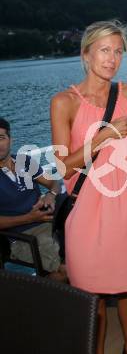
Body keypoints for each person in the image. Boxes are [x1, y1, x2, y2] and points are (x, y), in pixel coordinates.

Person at [50, 20, 127, 354]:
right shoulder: (65, 102)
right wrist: (105, 135)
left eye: (118, 51)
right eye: (104, 50)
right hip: (88, 215)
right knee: (91, 295)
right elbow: (64, 166)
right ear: (85, 54)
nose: (112, 58)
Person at [0, 117, 64, 279]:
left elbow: (54, 182)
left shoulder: (24, 161)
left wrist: (51, 194)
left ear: (10, 139)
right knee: (66, 269)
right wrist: (29, 218)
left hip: (49, 222)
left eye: (1, 138)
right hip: (22, 237)